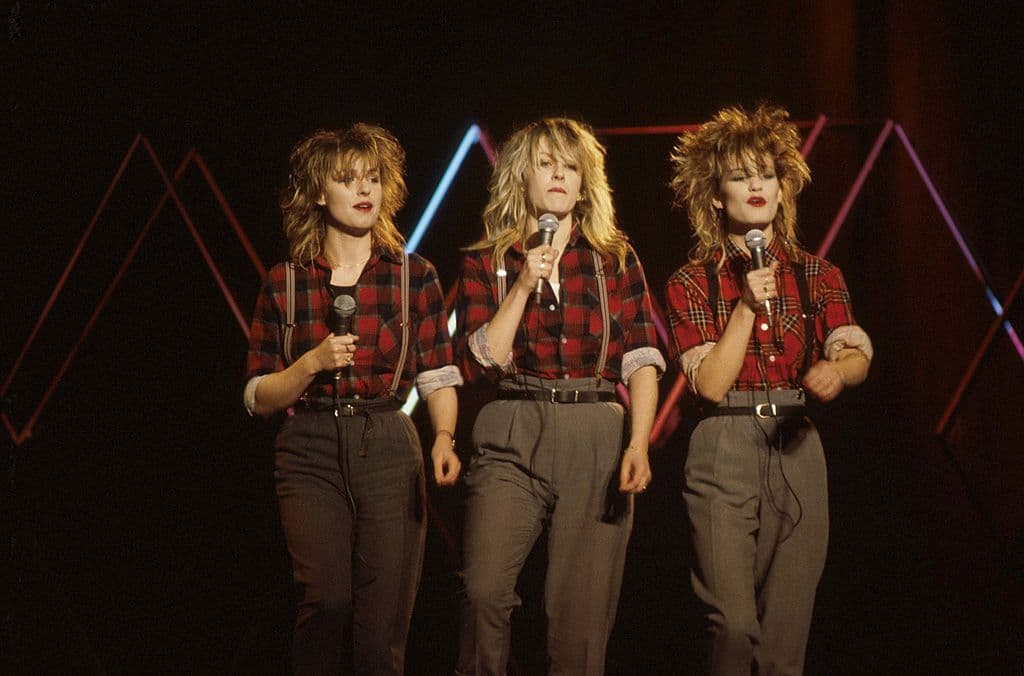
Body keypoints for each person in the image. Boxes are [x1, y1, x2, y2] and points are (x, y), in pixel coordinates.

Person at [243, 124, 462, 676]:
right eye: (347, 180)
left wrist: (443, 437)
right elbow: (257, 395)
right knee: (327, 602)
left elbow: (437, 371)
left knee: (381, 625)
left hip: (388, 442)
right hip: (308, 448)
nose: (364, 190)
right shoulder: (285, 282)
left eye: (373, 179)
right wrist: (312, 362)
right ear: (320, 192)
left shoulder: (414, 275)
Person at [664, 105, 873, 675]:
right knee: (732, 625)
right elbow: (708, 383)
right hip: (722, 444)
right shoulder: (691, 281)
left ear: (784, 188)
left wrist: (840, 371)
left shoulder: (818, 273)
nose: (756, 184)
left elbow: (853, 351)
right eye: (740, 175)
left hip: (796, 442)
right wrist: (744, 306)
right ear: (715, 196)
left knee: (786, 633)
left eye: (767, 173)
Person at [453, 117, 666, 676]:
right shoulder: (487, 259)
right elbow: (479, 361)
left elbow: (642, 357)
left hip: (594, 426)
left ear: (584, 183)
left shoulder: (614, 258)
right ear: (521, 175)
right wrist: (523, 284)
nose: (558, 176)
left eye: (570, 167)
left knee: (579, 620)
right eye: (546, 164)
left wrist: (638, 442)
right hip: (511, 425)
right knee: (482, 592)